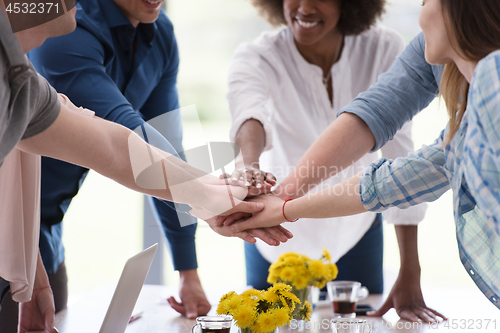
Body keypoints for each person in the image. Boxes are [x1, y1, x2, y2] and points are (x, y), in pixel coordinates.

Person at [0, 5, 291, 332]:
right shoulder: (63, 40)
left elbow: (124, 147)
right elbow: (123, 136)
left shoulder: (21, 77)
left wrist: (211, 208)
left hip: (33, 231)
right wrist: (212, 198)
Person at [226, 0, 500, 312]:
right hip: (286, 234)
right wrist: (282, 203)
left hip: (355, 229)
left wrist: (282, 206)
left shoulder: (492, 76)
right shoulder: (460, 127)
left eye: (424, 1)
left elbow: (397, 162)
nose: (420, 15)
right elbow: (396, 176)